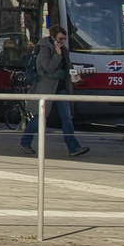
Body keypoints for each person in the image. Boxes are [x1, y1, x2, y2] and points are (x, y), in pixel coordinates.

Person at [21, 24, 88, 156]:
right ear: (53, 38)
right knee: (40, 117)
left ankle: (73, 147)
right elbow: (48, 68)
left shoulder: (65, 50)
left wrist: (75, 75)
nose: (62, 41)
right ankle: (25, 142)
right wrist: (57, 55)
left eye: (64, 39)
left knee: (66, 117)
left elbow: (67, 67)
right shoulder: (44, 49)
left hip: (61, 88)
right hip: (46, 88)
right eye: (60, 39)